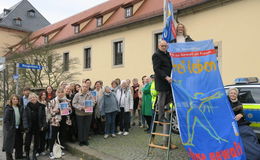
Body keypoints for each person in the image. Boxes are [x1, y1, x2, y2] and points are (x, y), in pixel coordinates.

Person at [228, 88, 260, 160]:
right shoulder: (225, 102)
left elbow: (242, 113)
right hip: (230, 124)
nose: (233, 94)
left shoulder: (239, 103)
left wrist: (241, 115)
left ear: (237, 95)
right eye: (231, 93)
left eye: (234, 93)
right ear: (228, 94)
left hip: (239, 123)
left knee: (247, 134)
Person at [152, 40, 173, 122]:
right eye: (162, 46)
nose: (164, 47)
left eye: (165, 46)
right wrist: (165, 77)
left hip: (169, 80)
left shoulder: (167, 54)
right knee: (162, 98)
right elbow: (156, 69)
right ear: (159, 46)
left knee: (169, 97)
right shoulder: (156, 55)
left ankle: (162, 106)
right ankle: (161, 117)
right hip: (162, 80)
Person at [23, 93, 46, 160]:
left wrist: (43, 125)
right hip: (29, 127)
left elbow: (44, 117)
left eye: (34, 97)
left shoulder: (41, 106)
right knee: (27, 142)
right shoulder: (26, 106)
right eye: (31, 98)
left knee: (36, 142)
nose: (33, 99)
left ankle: (34, 155)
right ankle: (27, 155)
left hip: (37, 126)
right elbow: (24, 117)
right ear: (29, 99)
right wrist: (26, 126)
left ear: (36, 98)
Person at [48, 88, 68, 159]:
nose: (60, 93)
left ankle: (59, 150)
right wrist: (55, 111)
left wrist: (68, 109)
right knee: (53, 136)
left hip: (63, 120)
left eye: (62, 92)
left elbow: (70, 110)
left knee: (61, 135)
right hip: (55, 120)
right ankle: (51, 151)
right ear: (56, 93)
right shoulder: (52, 101)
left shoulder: (66, 101)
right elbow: (49, 112)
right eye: (59, 92)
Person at [3, 95, 24, 160]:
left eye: (17, 99)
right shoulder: (8, 108)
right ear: (11, 100)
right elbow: (6, 120)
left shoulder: (19, 107)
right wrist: (9, 129)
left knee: (19, 143)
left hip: (18, 129)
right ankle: (9, 158)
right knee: (9, 144)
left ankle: (19, 156)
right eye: (14, 99)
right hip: (11, 129)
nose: (15, 100)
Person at [37, 91, 49, 156]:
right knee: (38, 137)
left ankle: (42, 149)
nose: (44, 96)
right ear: (40, 96)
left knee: (44, 137)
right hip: (40, 122)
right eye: (42, 95)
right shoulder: (38, 103)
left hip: (46, 121)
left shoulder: (47, 103)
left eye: (45, 95)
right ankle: (37, 151)